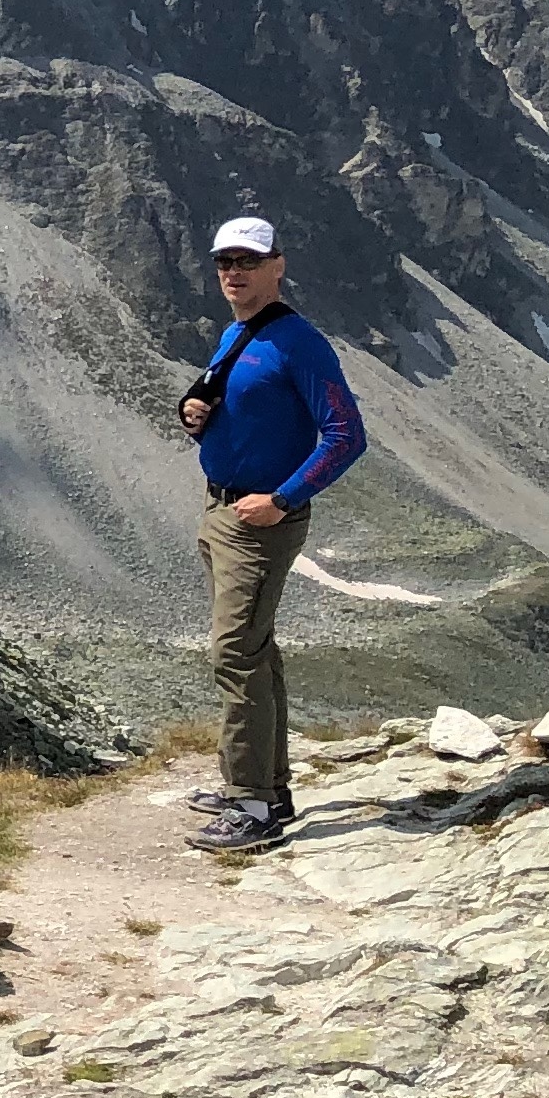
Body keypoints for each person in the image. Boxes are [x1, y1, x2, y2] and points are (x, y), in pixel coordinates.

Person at [177, 215, 365, 855]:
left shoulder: (299, 342)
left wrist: (283, 499)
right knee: (255, 649)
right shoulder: (239, 332)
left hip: (258, 524)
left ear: (278, 266)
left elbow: (346, 437)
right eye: (224, 261)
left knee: (233, 653)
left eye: (248, 261)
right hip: (223, 512)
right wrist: (196, 414)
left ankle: (252, 806)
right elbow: (239, 410)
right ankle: (263, 786)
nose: (234, 272)